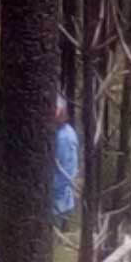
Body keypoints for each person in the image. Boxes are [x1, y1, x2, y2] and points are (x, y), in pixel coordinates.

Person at [49, 95, 83, 228]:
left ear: (61, 111)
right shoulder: (58, 133)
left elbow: (65, 173)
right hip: (56, 200)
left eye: (54, 109)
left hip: (58, 203)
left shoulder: (64, 137)